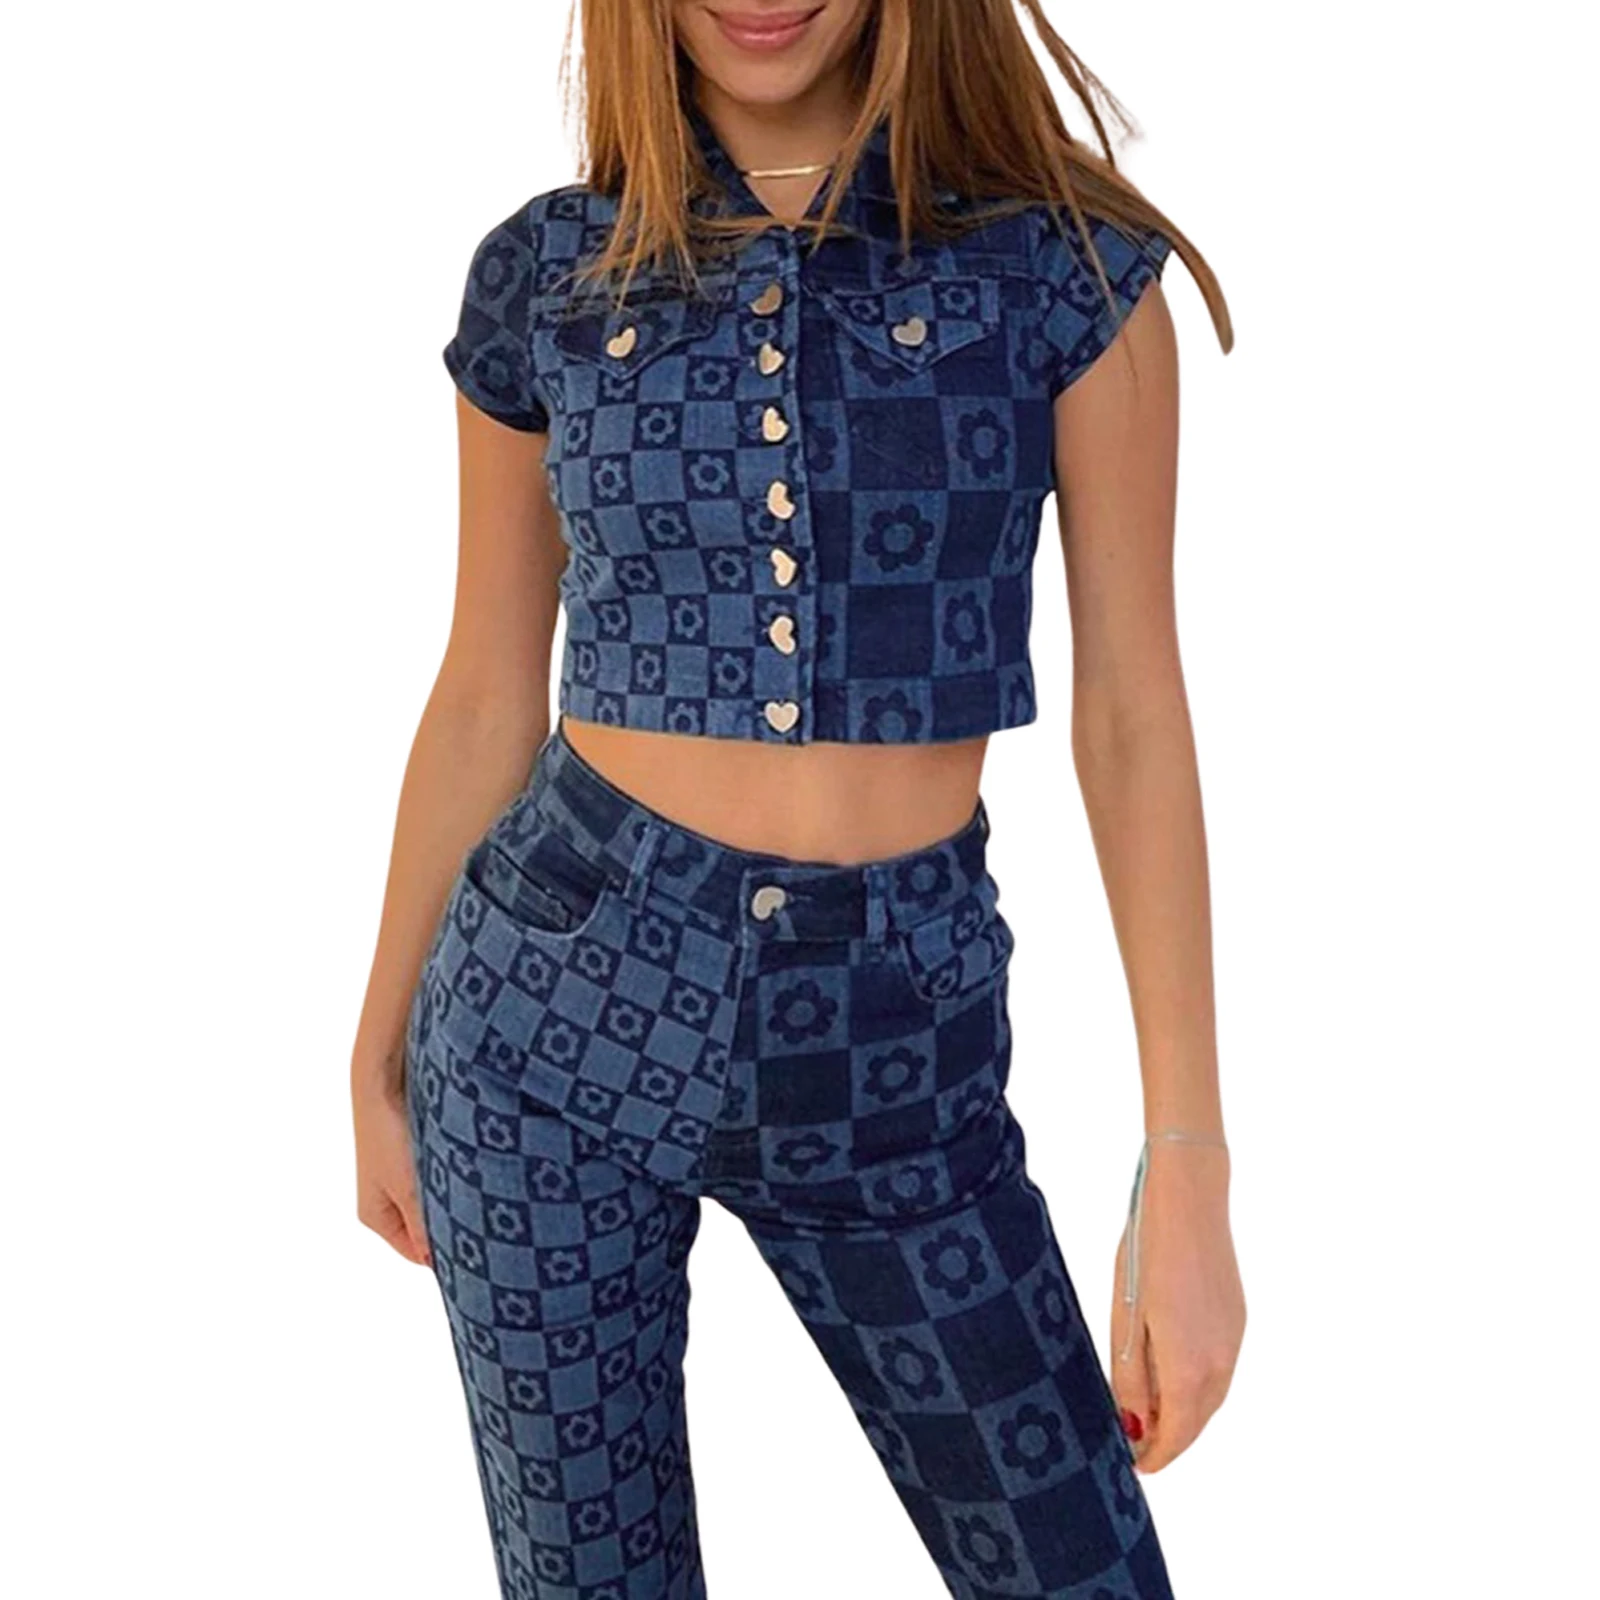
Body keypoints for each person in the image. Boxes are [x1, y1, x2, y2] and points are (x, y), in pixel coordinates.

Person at [350, 2, 1246, 1595]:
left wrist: (1186, 1162)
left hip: (898, 1044)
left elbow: (1133, 714)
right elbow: (487, 685)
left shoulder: (1062, 273)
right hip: (548, 1026)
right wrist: (377, 1044)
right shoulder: (548, 275)